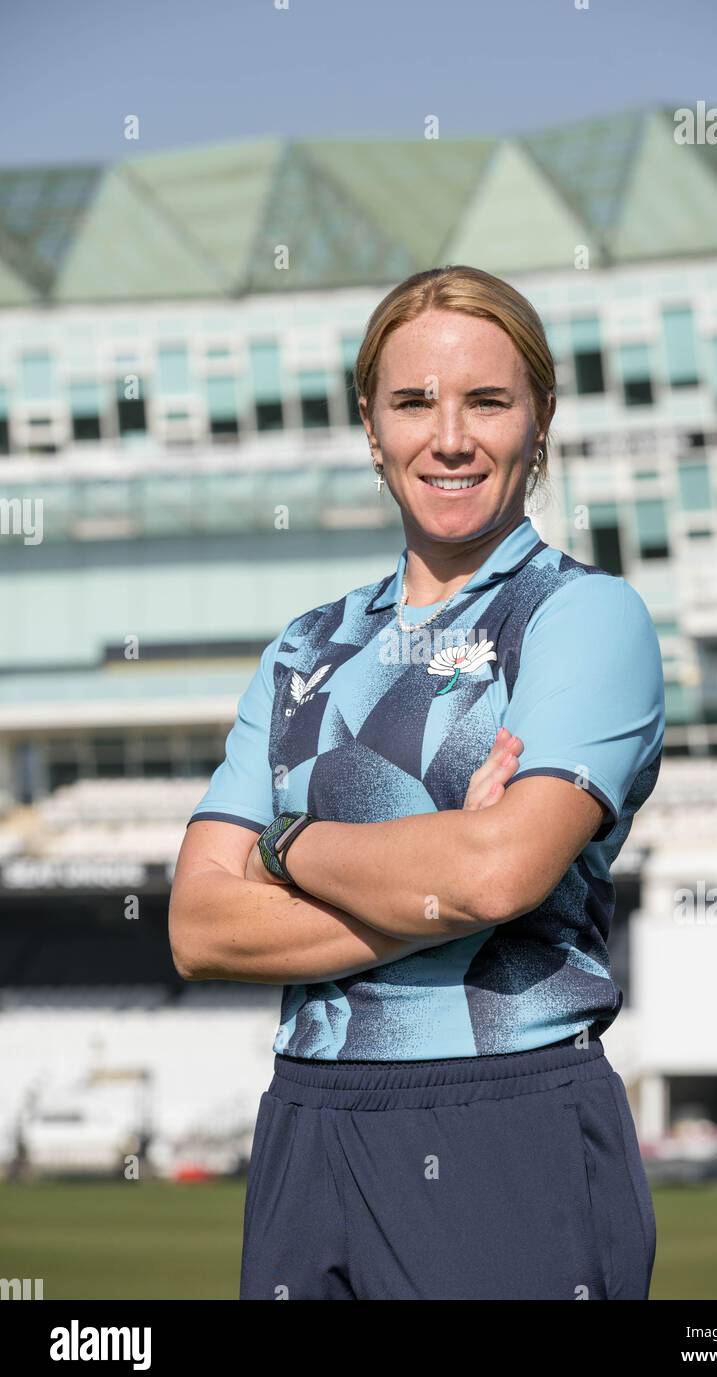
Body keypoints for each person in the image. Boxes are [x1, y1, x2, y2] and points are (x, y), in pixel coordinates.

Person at [169, 264, 665, 1300]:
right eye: (412, 402)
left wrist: (285, 846)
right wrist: (433, 869)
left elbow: (493, 876)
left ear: (539, 419)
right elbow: (199, 928)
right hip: (306, 1117)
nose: (449, 437)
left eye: (487, 400)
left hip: (503, 1115)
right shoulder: (303, 648)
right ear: (369, 425)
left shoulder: (582, 618)